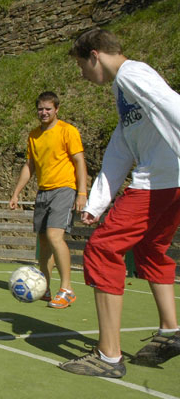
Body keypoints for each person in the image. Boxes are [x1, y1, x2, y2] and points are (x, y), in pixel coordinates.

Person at [59, 28, 180, 378]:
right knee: (149, 249)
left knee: (101, 248)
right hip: (166, 182)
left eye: (82, 66)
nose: (82, 75)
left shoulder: (133, 73)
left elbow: (171, 105)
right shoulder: (121, 87)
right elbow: (122, 144)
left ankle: (109, 356)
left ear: (95, 55)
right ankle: (171, 331)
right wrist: (96, 203)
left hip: (159, 182)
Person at [9, 91, 87, 309]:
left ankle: (67, 289)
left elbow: (79, 161)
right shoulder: (34, 135)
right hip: (43, 192)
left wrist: (82, 192)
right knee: (43, 242)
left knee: (54, 236)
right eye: (40, 109)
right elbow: (29, 166)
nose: (44, 113)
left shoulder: (67, 131)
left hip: (64, 189)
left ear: (57, 109)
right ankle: (45, 287)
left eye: (48, 109)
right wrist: (16, 192)